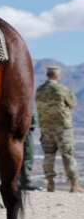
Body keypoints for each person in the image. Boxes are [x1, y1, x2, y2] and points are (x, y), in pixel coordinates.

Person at [35, 65, 80, 193]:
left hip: (46, 128)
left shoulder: (39, 90)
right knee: (68, 155)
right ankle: (74, 185)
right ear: (57, 75)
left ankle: (50, 184)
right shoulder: (60, 89)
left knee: (48, 156)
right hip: (63, 129)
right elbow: (72, 103)